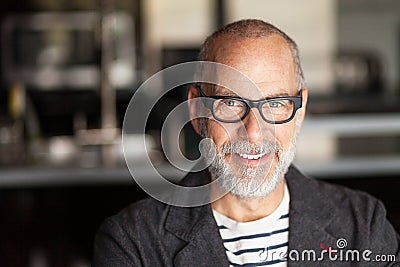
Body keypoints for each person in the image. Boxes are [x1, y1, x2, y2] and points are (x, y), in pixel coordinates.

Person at [93, 19, 400, 266]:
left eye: (276, 103)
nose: (253, 133)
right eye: (230, 103)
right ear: (196, 109)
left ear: (300, 110)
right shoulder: (133, 243)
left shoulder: (364, 227)